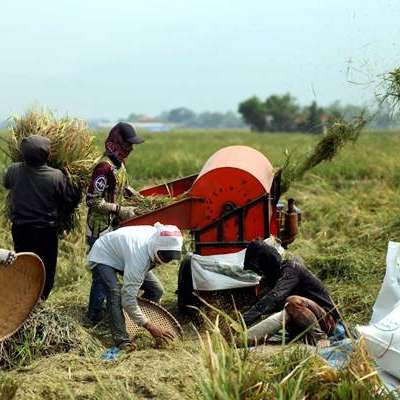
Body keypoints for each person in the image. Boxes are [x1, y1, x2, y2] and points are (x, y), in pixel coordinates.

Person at [3, 135, 81, 299]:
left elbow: (7, 184)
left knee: (24, 265)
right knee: (46, 267)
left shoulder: (14, 170)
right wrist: (77, 187)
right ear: (47, 156)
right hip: (45, 232)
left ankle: (23, 299)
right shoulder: (56, 176)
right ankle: (40, 299)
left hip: (20, 229)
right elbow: (68, 198)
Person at [87, 223, 183, 350]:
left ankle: (132, 320)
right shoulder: (139, 258)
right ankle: (122, 341)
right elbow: (127, 300)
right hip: (103, 253)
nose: (165, 260)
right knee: (115, 293)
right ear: (155, 247)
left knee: (156, 290)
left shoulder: (158, 238)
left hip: (124, 255)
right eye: (163, 255)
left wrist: (142, 320)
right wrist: (150, 327)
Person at [86, 122, 144, 323]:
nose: (131, 149)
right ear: (116, 144)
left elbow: (124, 186)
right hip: (100, 229)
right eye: (128, 144)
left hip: (114, 228)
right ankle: (94, 317)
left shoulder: (120, 164)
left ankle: (105, 310)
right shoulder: (104, 167)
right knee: (101, 276)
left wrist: (139, 199)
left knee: (110, 274)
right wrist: (120, 210)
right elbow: (92, 200)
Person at [242, 240, 342, 345]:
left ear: (266, 263)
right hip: (304, 322)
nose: (260, 273)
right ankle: (304, 336)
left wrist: (243, 320)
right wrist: (239, 316)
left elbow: (273, 297)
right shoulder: (272, 279)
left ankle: (320, 338)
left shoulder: (291, 269)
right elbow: (259, 302)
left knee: (293, 302)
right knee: (277, 307)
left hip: (327, 320)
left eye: (260, 269)